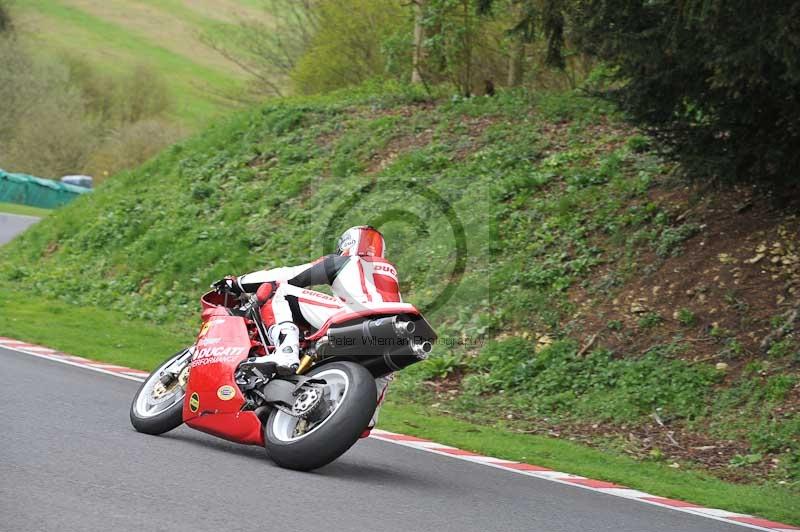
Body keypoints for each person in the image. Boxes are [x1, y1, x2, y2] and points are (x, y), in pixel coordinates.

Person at [213, 225, 400, 436]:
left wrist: (238, 283)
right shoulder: (389, 273)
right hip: (394, 329)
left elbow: (288, 275)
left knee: (283, 292)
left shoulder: (346, 260)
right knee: (380, 375)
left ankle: (285, 353)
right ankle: (363, 413)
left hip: (355, 317)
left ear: (348, 244)